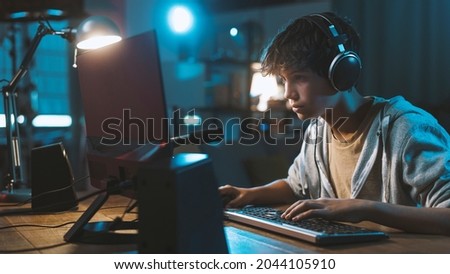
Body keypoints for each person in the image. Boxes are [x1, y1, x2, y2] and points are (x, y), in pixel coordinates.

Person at [219, 11, 450, 235]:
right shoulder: (318, 129)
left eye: (299, 78)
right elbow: (296, 186)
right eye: (284, 80)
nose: (288, 93)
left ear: (341, 72)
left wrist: (365, 209)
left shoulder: (408, 129)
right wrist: (249, 194)